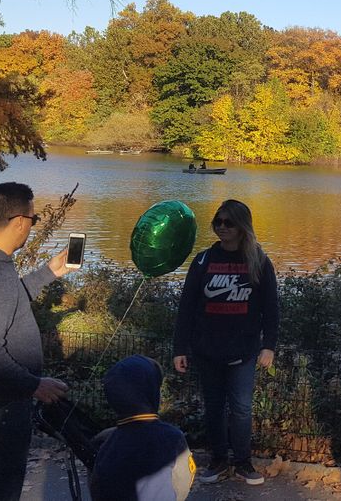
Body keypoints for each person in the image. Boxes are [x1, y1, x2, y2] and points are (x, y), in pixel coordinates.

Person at [0, 182, 76, 501]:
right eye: (33, 221)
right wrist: (34, 385)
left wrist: (48, 272)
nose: (32, 228)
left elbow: (7, 301)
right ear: (20, 222)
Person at [173, 199, 280, 486]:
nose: (221, 228)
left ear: (242, 225)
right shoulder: (204, 260)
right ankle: (218, 460)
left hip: (243, 351)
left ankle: (243, 462)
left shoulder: (258, 261)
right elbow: (186, 307)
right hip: (207, 350)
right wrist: (180, 348)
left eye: (228, 222)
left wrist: (268, 345)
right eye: (217, 222)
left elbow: (271, 308)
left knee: (242, 409)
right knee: (213, 408)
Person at [90, 355, 195, 501]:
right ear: (152, 391)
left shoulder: (106, 443)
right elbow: (185, 482)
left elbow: (97, 488)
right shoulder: (172, 438)